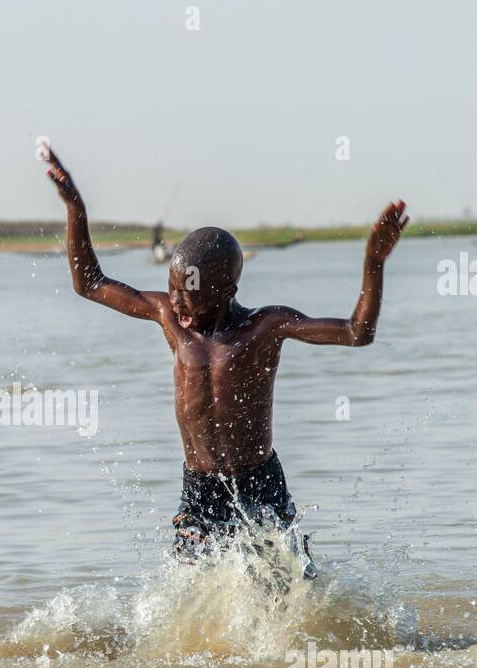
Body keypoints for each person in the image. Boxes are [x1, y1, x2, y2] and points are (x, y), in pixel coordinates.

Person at [41, 143, 408, 563]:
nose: (176, 302)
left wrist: (373, 263)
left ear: (227, 291)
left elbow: (356, 332)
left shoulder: (264, 327)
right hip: (200, 489)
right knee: (193, 596)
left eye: (189, 295)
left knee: (290, 592)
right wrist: (75, 207)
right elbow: (88, 282)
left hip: (259, 482)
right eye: (173, 287)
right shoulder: (170, 319)